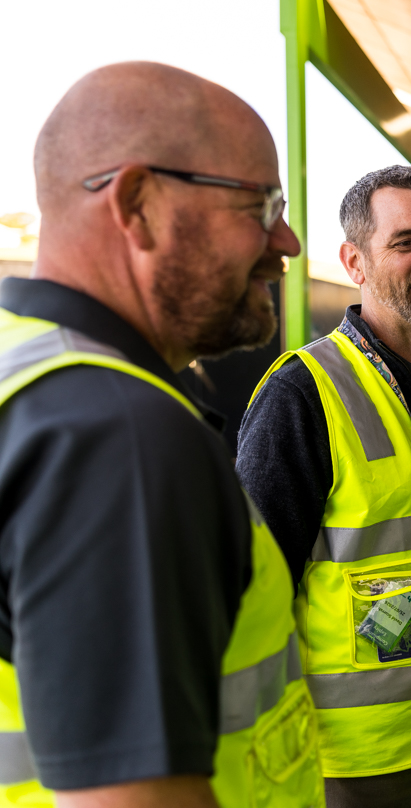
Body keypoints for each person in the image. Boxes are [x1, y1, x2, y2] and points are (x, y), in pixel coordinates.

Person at [0, 62, 321, 807]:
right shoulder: (119, 441)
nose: (287, 240)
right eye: (260, 204)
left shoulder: (28, 375)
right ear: (138, 206)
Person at [237, 166, 411, 808]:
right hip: (365, 756)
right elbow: (251, 593)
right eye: (405, 242)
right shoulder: (301, 394)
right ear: (354, 263)